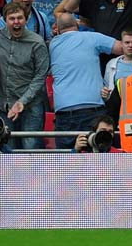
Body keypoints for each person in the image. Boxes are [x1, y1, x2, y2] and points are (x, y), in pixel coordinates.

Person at [49, 12, 120, 149]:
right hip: (92, 110)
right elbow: (122, 48)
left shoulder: (53, 44)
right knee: (97, 161)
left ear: (57, 29)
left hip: (64, 113)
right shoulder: (92, 38)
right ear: (77, 25)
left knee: (65, 163)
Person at [0, 1, 50, 150]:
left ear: (26, 19)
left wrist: (23, 101)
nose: (16, 22)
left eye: (20, 18)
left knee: (31, 148)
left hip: (31, 105)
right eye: (12, 18)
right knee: (7, 148)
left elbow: (41, 76)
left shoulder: (37, 42)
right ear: (5, 20)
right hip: (5, 104)